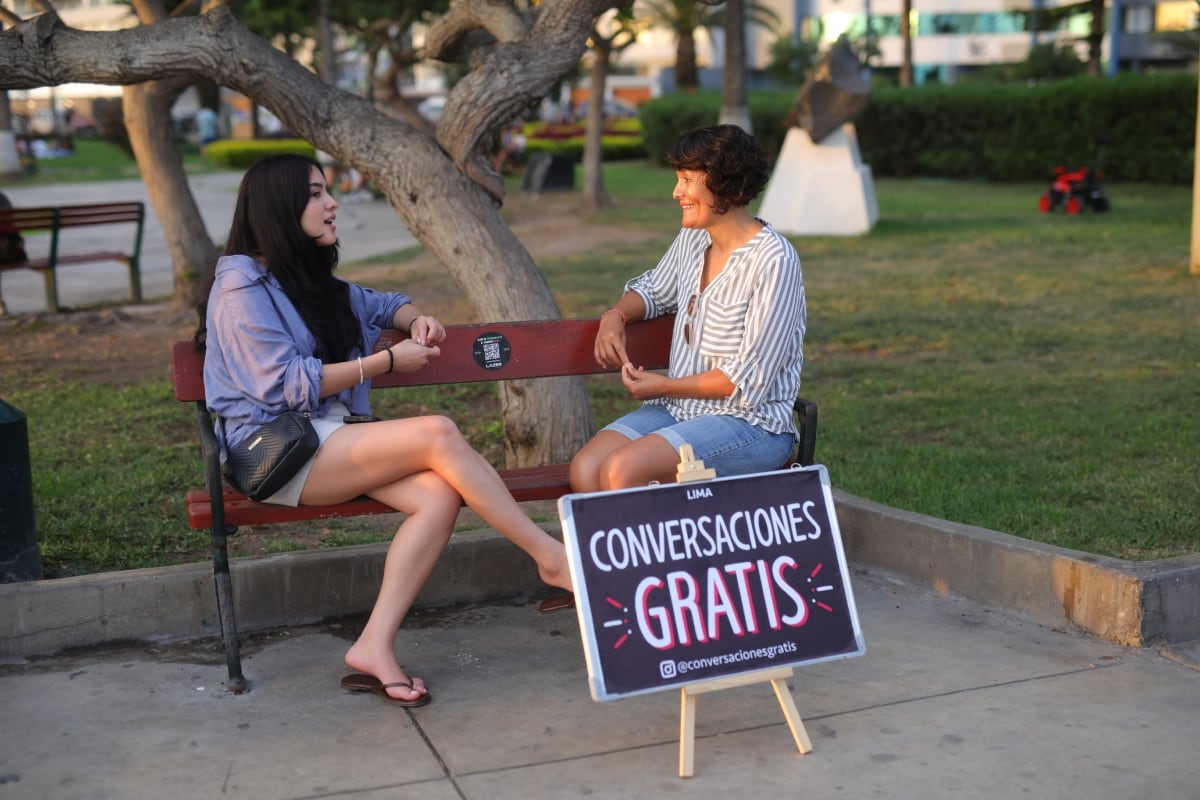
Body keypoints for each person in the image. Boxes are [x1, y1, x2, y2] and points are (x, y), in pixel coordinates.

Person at [196, 154, 571, 707]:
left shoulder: (304, 276)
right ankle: (551, 558)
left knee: (438, 495)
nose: (332, 203)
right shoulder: (239, 287)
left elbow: (384, 304)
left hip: (328, 440)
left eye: (327, 192)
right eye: (317, 194)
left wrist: (415, 319)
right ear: (279, 207)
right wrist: (386, 363)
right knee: (438, 433)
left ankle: (373, 646)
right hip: (275, 453)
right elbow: (281, 386)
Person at [569, 125, 806, 492]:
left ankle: (653, 533)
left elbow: (747, 379)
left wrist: (664, 385)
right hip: (680, 410)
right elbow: (654, 291)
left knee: (621, 471)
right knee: (586, 469)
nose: (676, 192)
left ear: (725, 184)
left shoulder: (774, 260)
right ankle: (634, 532)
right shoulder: (694, 238)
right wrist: (614, 316)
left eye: (687, 180)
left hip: (751, 424)